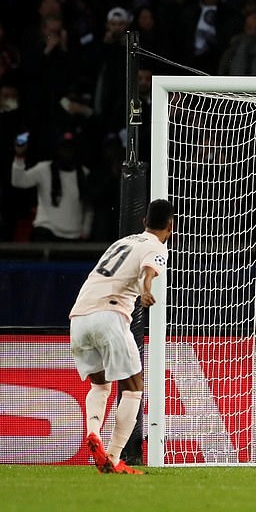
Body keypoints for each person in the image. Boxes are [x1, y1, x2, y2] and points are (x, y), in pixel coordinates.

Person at [69, 199, 174, 474]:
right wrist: (147, 288)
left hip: (79, 318)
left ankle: (94, 433)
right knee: (133, 387)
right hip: (110, 316)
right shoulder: (157, 246)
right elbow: (148, 270)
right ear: (170, 227)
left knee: (100, 386)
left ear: (143, 223)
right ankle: (113, 458)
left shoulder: (122, 242)